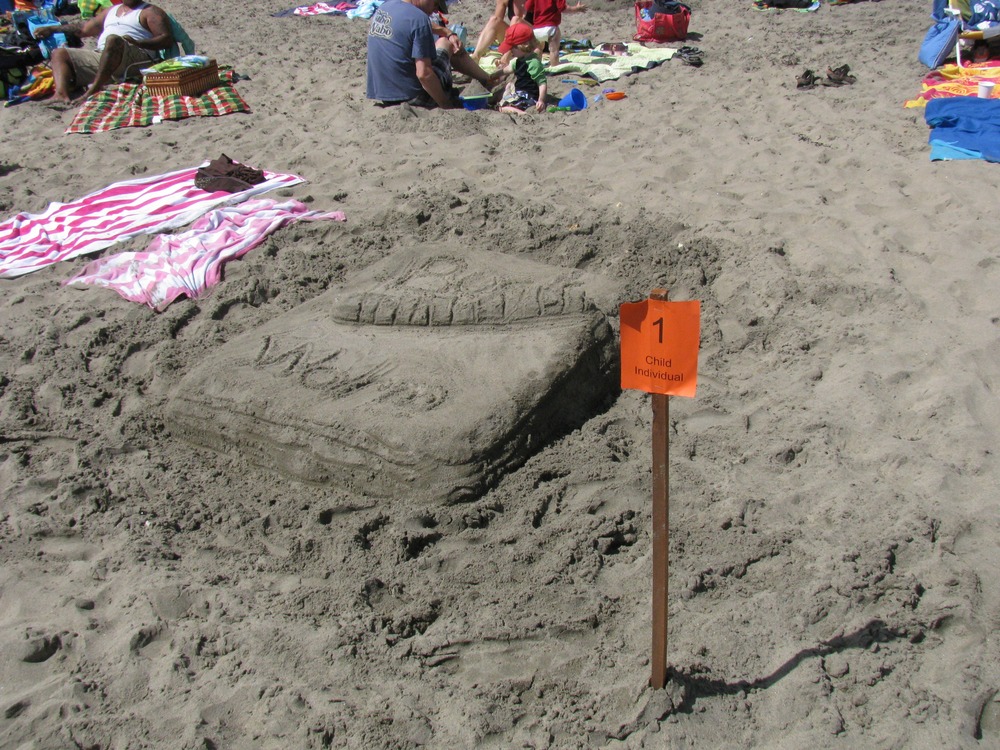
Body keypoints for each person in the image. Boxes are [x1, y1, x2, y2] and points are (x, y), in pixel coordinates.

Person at [32, 0, 174, 104]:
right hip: (105, 54)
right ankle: (61, 95)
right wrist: (52, 29)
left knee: (113, 40)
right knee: (59, 53)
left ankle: (94, 89)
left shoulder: (149, 11)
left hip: (136, 56)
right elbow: (83, 29)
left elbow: (166, 39)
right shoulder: (112, 10)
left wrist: (139, 43)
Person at [366, 0, 500, 108]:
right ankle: (488, 79)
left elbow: (412, 23)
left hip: (383, 94)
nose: (435, 10)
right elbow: (424, 74)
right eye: (435, 4)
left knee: (443, 40)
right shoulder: (419, 19)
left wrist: (447, 31)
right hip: (412, 97)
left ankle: (487, 78)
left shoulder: (386, 7)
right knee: (446, 44)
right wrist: (445, 104)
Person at [494, 23, 546, 114]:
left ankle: (521, 113)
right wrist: (494, 75)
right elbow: (508, 69)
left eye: (512, 48)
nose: (510, 51)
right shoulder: (519, 59)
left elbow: (542, 83)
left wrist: (541, 100)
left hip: (529, 96)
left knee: (501, 108)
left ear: (524, 46)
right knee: (509, 85)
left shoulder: (533, 63)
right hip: (520, 92)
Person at [524, 0, 586, 67]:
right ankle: (554, 66)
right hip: (551, 27)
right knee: (554, 50)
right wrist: (576, 8)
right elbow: (563, 8)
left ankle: (536, 67)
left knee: (538, 48)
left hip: (537, 29)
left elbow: (528, 7)